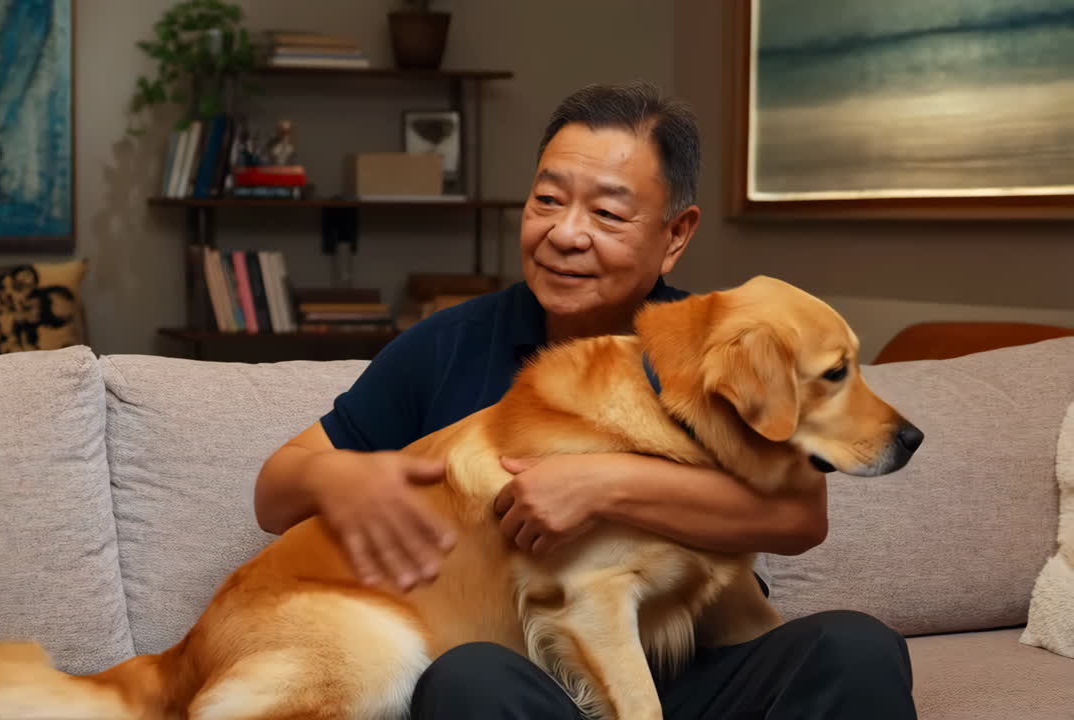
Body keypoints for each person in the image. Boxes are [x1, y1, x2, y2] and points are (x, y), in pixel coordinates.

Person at [254, 81, 915, 720]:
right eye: (547, 200)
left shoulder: (720, 347)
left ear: (675, 236)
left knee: (855, 648)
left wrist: (603, 484)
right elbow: (275, 492)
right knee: (467, 678)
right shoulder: (448, 345)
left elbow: (798, 519)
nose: (565, 234)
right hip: (534, 680)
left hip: (696, 667)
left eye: (606, 213)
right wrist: (346, 477)